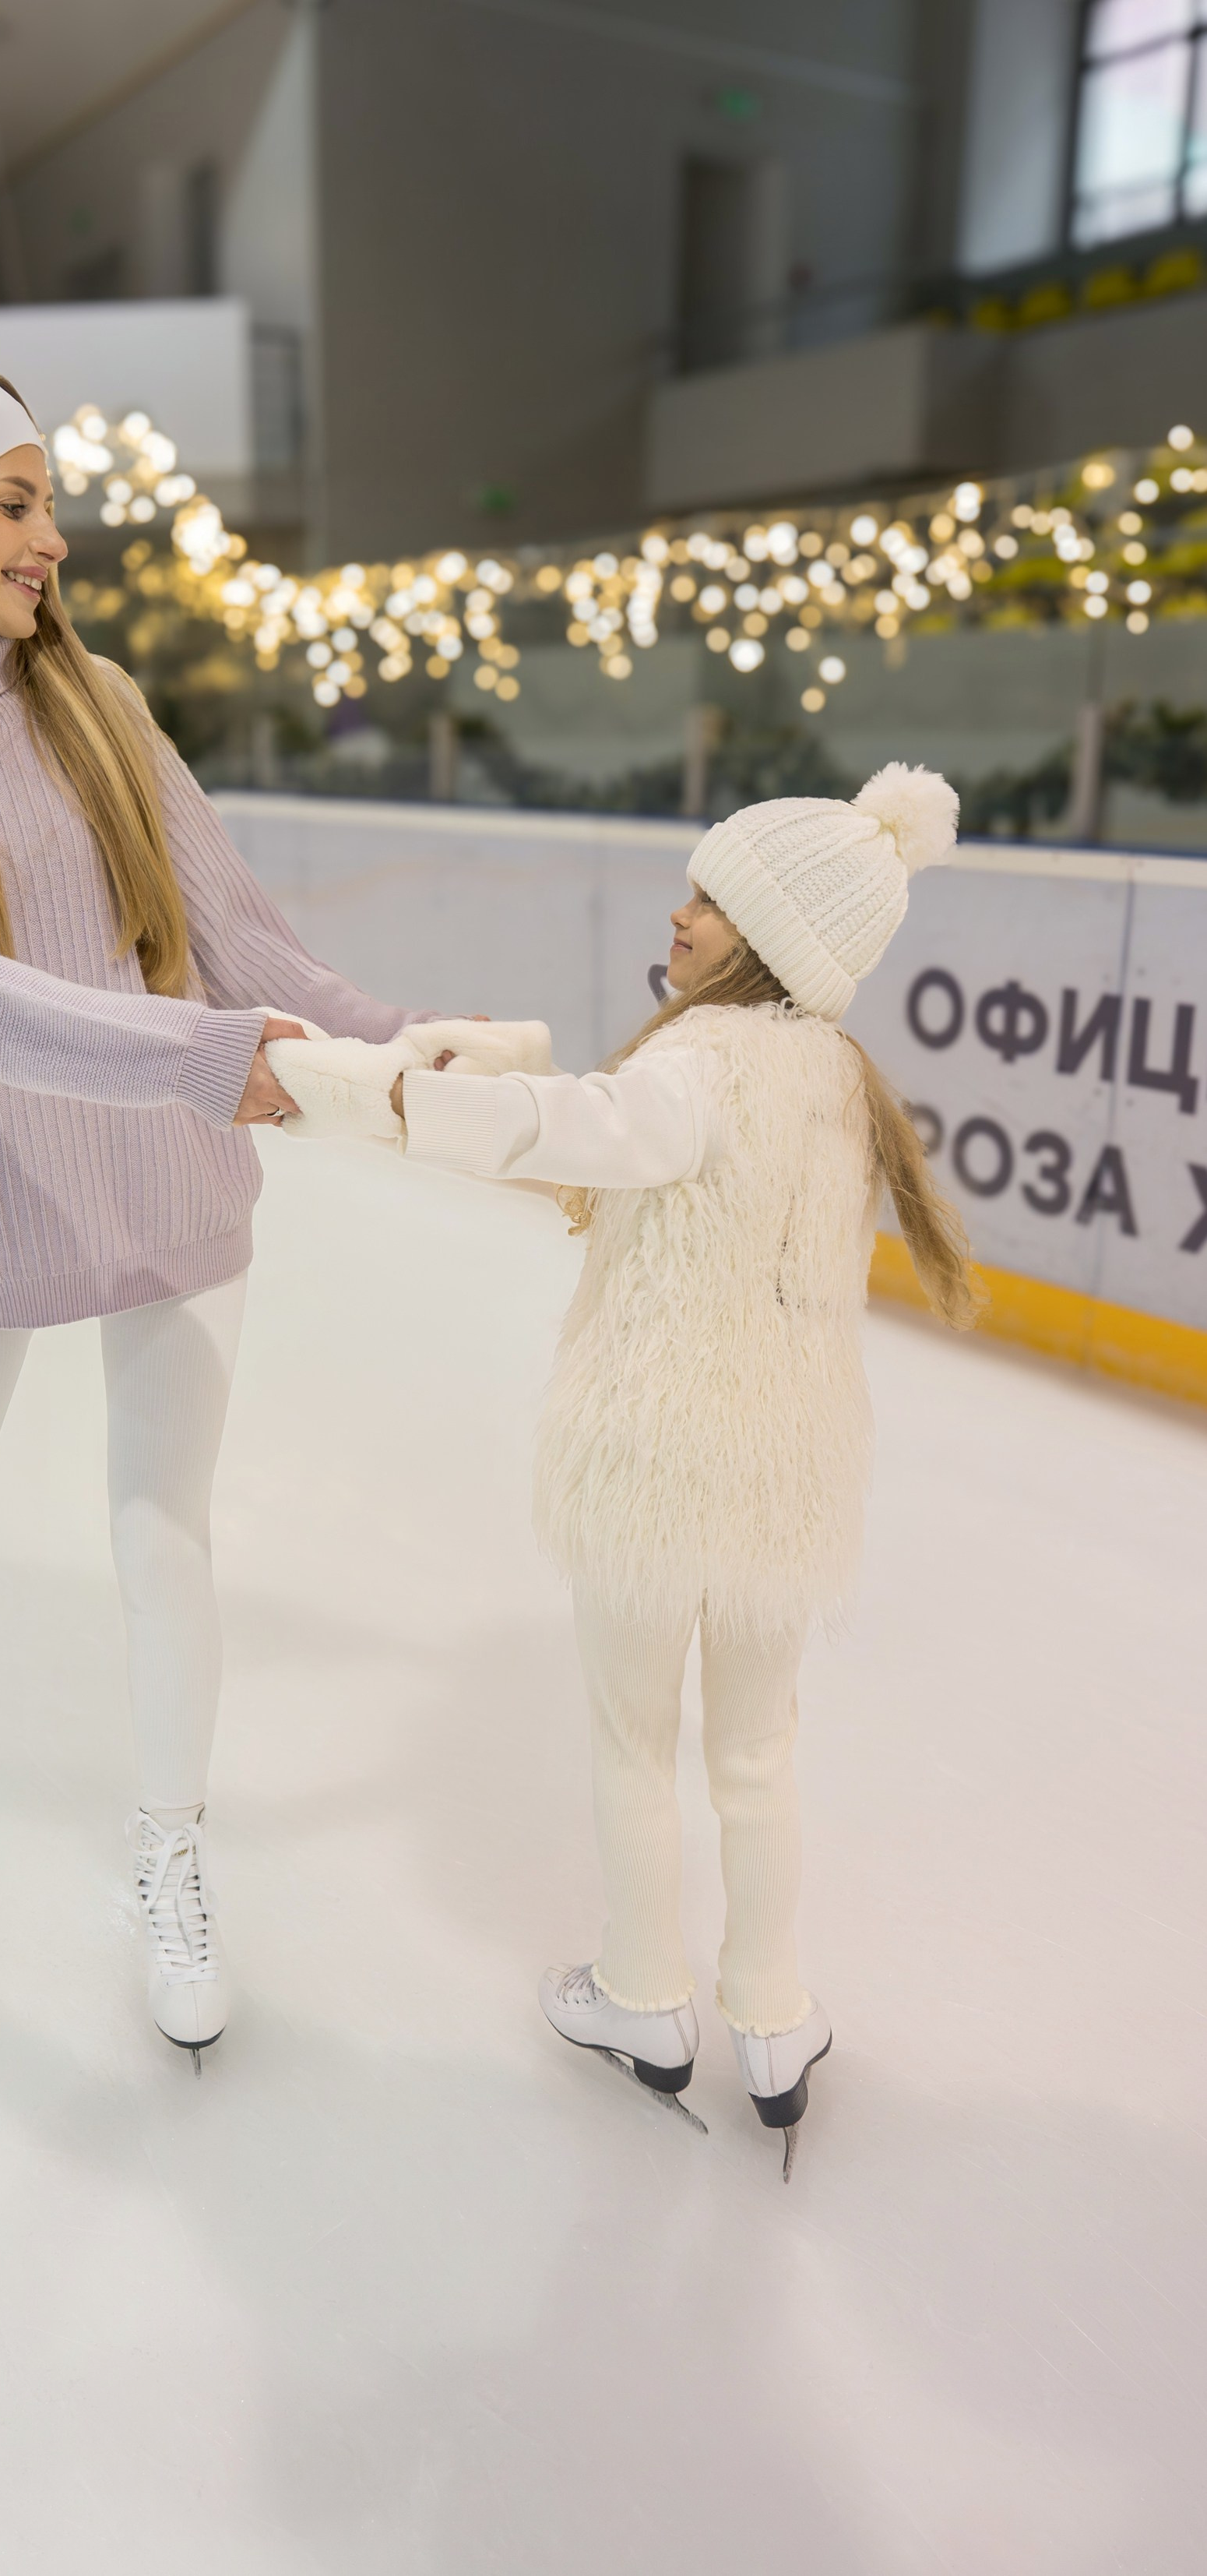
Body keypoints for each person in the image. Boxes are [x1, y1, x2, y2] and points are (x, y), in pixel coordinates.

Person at [0, 361, 467, 2060]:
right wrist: (202, 1058)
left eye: (49, 504)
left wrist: (419, 1062)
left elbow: (239, 939)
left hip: (165, 1181)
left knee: (162, 1538)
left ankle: (170, 1848)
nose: (53, 539)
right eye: (16, 501)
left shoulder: (95, 700)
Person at [266, 767, 982, 2169]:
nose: (683, 912)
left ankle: (645, 2001)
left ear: (771, 937)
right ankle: (770, 2016)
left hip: (656, 1457)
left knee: (630, 1745)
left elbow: (564, 1131)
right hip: (786, 1473)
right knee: (758, 1752)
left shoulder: (696, 1066)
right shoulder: (839, 1078)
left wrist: (363, 1096)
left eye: (713, 901)